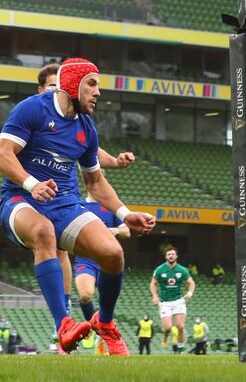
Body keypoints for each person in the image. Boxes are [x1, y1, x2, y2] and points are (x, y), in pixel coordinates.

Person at [0, 58, 155, 354]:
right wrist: (32, 184)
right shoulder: (32, 108)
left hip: (64, 204)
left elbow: (95, 183)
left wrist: (125, 214)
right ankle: (64, 326)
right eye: (92, 84)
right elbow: (3, 153)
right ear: (72, 85)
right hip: (20, 198)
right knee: (43, 232)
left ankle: (105, 323)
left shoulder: (86, 128)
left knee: (113, 254)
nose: (98, 92)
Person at [73, 197, 130, 324]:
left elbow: (127, 232)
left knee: (107, 301)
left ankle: (104, 325)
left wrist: (114, 230)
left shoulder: (110, 206)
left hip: (107, 260)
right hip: (86, 260)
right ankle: (92, 324)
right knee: (85, 295)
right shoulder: (79, 205)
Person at [150, 246, 196, 354]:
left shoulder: (182, 270)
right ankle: (166, 336)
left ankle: (180, 349)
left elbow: (191, 283)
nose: (171, 256)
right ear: (166, 257)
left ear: (176, 256)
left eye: (173, 254)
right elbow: (152, 284)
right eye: (168, 254)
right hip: (165, 302)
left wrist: (189, 293)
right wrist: (155, 296)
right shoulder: (160, 269)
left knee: (180, 326)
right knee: (168, 328)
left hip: (178, 301)